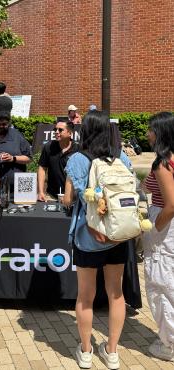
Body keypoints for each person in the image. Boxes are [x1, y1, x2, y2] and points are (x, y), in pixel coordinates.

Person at [63, 111, 132, 369]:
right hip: (117, 234)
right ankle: (112, 352)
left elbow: (70, 199)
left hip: (88, 236)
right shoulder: (120, 156)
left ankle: (85, 351)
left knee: (85, 296)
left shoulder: (78, 159)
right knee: (116, 294)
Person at [142, 112, 174, 362]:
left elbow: (171, 204)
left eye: (151, 130)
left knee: (160, 282)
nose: (147, 134)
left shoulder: (162, 163)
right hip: (168, 226)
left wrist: (154, 229)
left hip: (165, 225)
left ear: (160, 133)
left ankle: (170, 344)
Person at [38, 120, 78, 200]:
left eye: (60, 130)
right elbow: (42, 168)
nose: (56, 132)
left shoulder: (78, 149)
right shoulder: (48, 147)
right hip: (51, 196)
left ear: (70, 133)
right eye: (55, 129)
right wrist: (41, 192)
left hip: (73, 197)